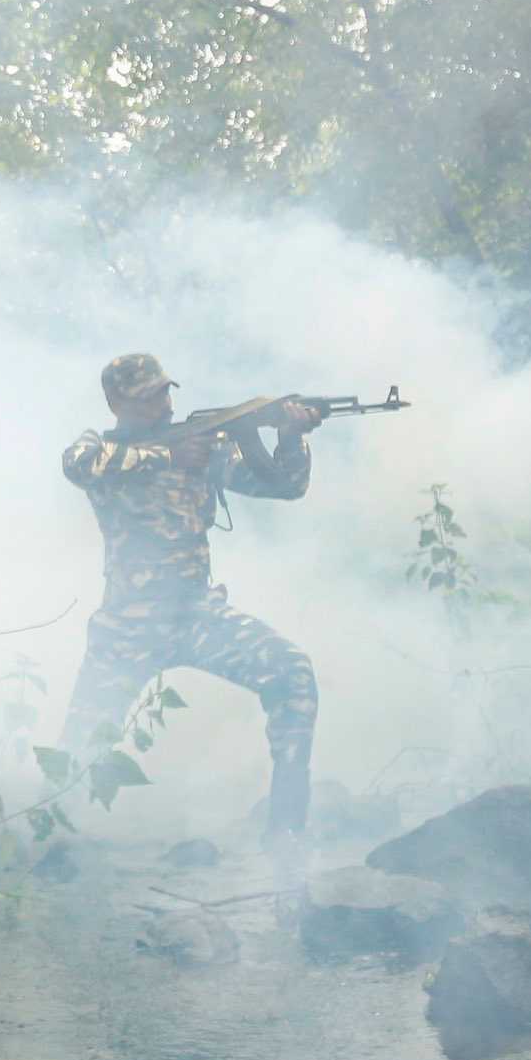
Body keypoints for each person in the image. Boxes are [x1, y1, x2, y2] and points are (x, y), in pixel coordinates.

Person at [58, 353, 322, 852]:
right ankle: (51, 847)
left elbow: (286, 487)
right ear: (116, 402)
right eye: (148, 396)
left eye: (165, 390)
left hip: (195, 614)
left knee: (293, 673)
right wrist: (167, 457)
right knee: (75, 761)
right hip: (127, 628)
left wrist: (290, 434)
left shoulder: (203, 448)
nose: (163, 402)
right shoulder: (104, 448)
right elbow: (77, 464)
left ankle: (286, 830)